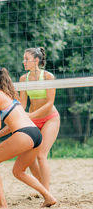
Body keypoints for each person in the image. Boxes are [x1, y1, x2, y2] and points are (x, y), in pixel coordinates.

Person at [0, 66, 56, 209]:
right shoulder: (8, 95)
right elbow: (10, 125)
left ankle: (2, 204)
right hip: (35, 134)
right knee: (18, 172)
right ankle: (49, 197)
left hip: (24, 134)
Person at [20, 47, 60, 190]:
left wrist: (31, 116)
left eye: (26, 59)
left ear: (36, 60)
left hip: (50, 118)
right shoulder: (23, 79)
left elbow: (50, 103)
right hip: (32, 119)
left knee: (41, 155)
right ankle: (42, 187)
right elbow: (23, 104)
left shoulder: (48, 77)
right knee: (29, 158)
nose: (23, 62)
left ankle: (47, 193)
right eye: (23, 59)